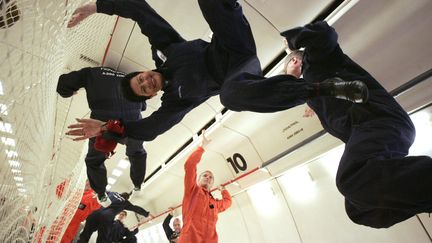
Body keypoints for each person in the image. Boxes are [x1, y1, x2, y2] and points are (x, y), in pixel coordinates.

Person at [64, 0, 368, 144]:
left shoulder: (167, 50)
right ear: (153, 94)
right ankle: (322, 90)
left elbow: (142, 12)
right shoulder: (175, 101)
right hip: (239, 71)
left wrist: (97, 7)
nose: (146, 82)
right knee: (230, 96)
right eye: (145, 88)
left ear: (143, 72)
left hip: (230, 41)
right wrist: (107, 129)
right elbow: (150, 130)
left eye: (140, 78)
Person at [280, 21, 432, 228]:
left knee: (352, 179)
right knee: (358, 210)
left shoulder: (316, 62)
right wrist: (314, 103)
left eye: (286, 68)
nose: (287, 75)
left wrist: (293, 41)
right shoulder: (313, 89)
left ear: (295, 61)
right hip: (371, 129)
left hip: (378, 119)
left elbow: (325, 34)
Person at [57, 67, 148, 206]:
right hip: (131, 126)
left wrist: (70, 91)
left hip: (101, 126)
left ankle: (101, 194)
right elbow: (143, 106)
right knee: (137, 153)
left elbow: (62, 85)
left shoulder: (91, 73)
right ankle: (137, 185)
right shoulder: (134, 79)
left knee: (94, 160)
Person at [178, 132, 232, 243]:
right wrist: (202, 147)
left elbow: (228, 202)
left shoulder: (215, 204)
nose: (208, 177)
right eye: (205, 175)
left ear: (212, 184)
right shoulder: (192, 190)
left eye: (211, 177)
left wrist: (223, 190)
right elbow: (189, 165)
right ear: (198, 180)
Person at [77, 191, 151, 243]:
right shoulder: (125, 202)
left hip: (96, 213)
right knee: (102, 239)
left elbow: (101, 192)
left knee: (85, 233)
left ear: (121, 193)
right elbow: (136, 208)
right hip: (107, 217)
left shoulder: (112, 193)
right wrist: (146, 214)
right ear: (127, 198)